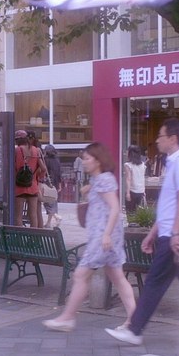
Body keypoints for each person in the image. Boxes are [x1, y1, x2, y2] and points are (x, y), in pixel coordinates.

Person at [106, 118, 179, 345]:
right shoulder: (175, 162)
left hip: (176, 234)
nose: (157, 140)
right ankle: (136, 328)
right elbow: (169, 204)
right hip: (171, 232)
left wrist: (174, 232)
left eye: (160, 136)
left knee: (156, 282)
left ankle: (134, 329)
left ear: (172, 139)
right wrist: (153, 232)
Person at [42, 142, 136, 332]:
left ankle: (67, 318)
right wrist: (89, 189)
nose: (83, 161)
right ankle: (135, 321)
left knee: (80, 275)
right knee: (118, 277)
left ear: (97, 160)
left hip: (103, 237)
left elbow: (115, 208)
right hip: (106, 236)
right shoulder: (100, 179)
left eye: (87, 158)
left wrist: (106, 234)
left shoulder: (103, 180)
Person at [14, 130, 47, 228]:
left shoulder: (17, 150)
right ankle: (34, 236)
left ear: (18, 140)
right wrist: (37, 177)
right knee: (33, 215)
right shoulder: (36, 150)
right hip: (32, 186)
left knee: (18, 216)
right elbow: (43, 169)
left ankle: (20, 235)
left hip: (19, 185)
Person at [43, 144, 62, 227]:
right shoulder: (57, 160)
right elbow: (59, 173)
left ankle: (56, 217)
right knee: (53, 201)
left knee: (47, 202)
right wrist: (60, 185)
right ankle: (48, 223)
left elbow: (43, 172)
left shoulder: (45, 160)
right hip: (55, 183)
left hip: (47, 183)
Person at [124, 145, 147, 214]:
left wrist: (127, 193)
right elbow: (142, 178)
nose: (126, 152)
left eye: (127, 151)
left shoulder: (128, 165)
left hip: (132, 191)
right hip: (141, 191)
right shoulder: (143, 165)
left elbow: (128, 179)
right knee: (139, 214)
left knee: (130, 213)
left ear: (130, 153)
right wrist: (144, 191)